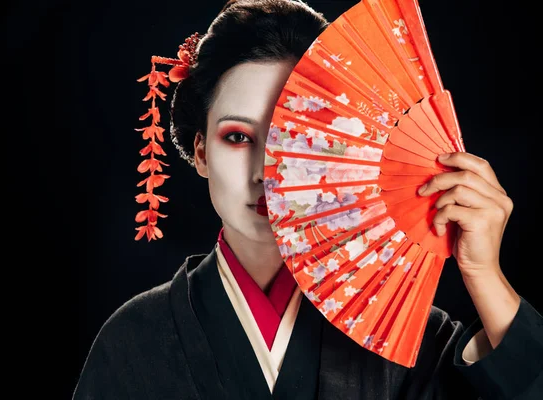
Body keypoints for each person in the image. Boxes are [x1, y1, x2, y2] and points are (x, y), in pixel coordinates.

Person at [73, 0, 543, 398]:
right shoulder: (134, 341)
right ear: (200, 152)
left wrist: (485, 274)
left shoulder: (403, 334)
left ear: (337, 150)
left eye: (292, 138)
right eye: (238, 137)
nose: (264, 172)